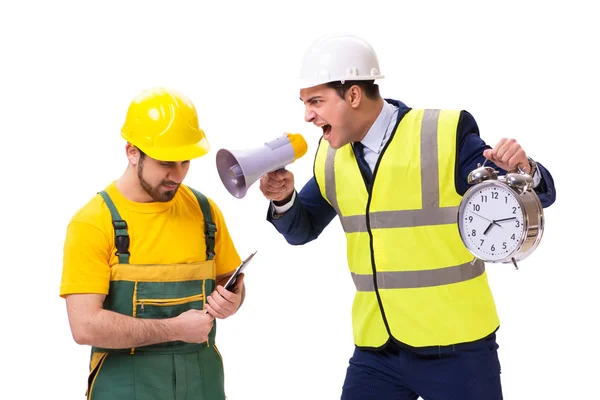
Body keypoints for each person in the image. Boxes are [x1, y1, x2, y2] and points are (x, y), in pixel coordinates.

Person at [259, 34, 556, 400]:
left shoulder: (442, 133)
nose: (307, 115)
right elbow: (301, 230)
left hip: (458, 350)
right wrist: (284, 197)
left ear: (352, 95)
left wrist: (525, 169)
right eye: (305, 103)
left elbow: (517, 192)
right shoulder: (330, 156)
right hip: (377, 350)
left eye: (316, 101)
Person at [60, 87, 245, 400]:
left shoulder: (205, 213)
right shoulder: (93, 222)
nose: (177, 174)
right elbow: (85, 326)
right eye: (166, 163)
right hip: (125, 389)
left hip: (203, 386)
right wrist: (175, 329)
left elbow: (230, 282)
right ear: (133, 152)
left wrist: (234, 300)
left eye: (185, 161)